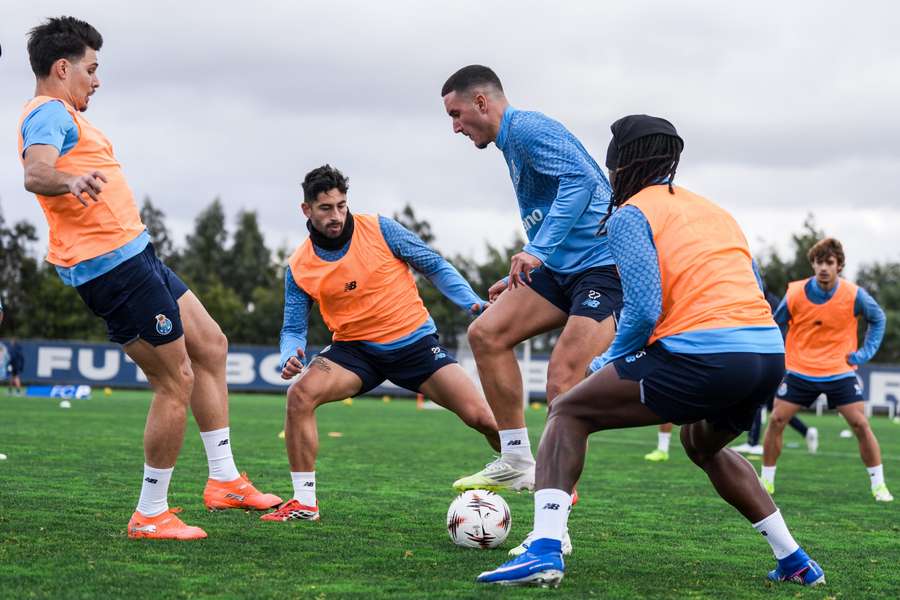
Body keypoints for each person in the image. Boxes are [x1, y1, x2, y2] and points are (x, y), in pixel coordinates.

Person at [476, 115, 823, 588]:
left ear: (620, 166)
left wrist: (605, 364)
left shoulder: (630, 214)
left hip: (703, 353)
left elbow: (642, 309)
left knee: (569, 411)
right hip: (765, 354)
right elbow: (754, 286)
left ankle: (544, 549)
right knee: (702, 445)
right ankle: (795, 559)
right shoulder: (714, 210)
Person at [19, 17, 281, 540]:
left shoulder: (67, 113)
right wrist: (70, 179)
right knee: (174, 380)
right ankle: (150, 512)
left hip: (138, 253)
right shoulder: (48, 112)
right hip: (112, 268)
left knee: (211, 343)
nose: (96, 80)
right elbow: (34, 172)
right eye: (91, 70)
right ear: (62, 68)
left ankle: (225, 480)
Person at [261, 165, 499, 522]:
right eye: (326, 208)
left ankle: (543, 477)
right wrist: (289, 355)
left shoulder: (380, 229)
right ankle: (304, 503)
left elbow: (434, 265)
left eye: (342, 205)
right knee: (300, 396)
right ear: (306, 210)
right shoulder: (298, 266)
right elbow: (292, 328)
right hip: (354, 352)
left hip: (415, 343)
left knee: (482, 417)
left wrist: (472, 302)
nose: (337, 216)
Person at [441, 66, 623, 499]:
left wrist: (536, 254)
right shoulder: (511, 142)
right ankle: (518, 459)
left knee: (563, 377)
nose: (455, 127)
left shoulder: (527, 128)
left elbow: (581, 183)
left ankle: (554, 525)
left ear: (481, 102)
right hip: (559, 270)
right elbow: (551, 210)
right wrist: (525, 270)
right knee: (485, 334)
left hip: (603, 268)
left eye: (457, 114)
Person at [761, 238, 890, 501]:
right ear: (813, 264)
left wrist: (864, 354)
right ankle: (767, 481)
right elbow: (776, 323)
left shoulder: (854, 295)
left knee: (860, 423)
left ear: (839, 265)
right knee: (776, 420)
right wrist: (776, 355)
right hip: (799, 369)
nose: (823, 267)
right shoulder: (795, 293)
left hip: (839, 369)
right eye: (819, 262)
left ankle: (879, 485)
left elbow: (878, 319)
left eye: (829, 262)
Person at [733, 290, 816, 456]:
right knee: (774, 407)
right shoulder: (772, 301)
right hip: (777, 357)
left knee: (756, 398)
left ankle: (753, 442)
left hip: (772, 356)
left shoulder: (768, 304)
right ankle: (806, 432)